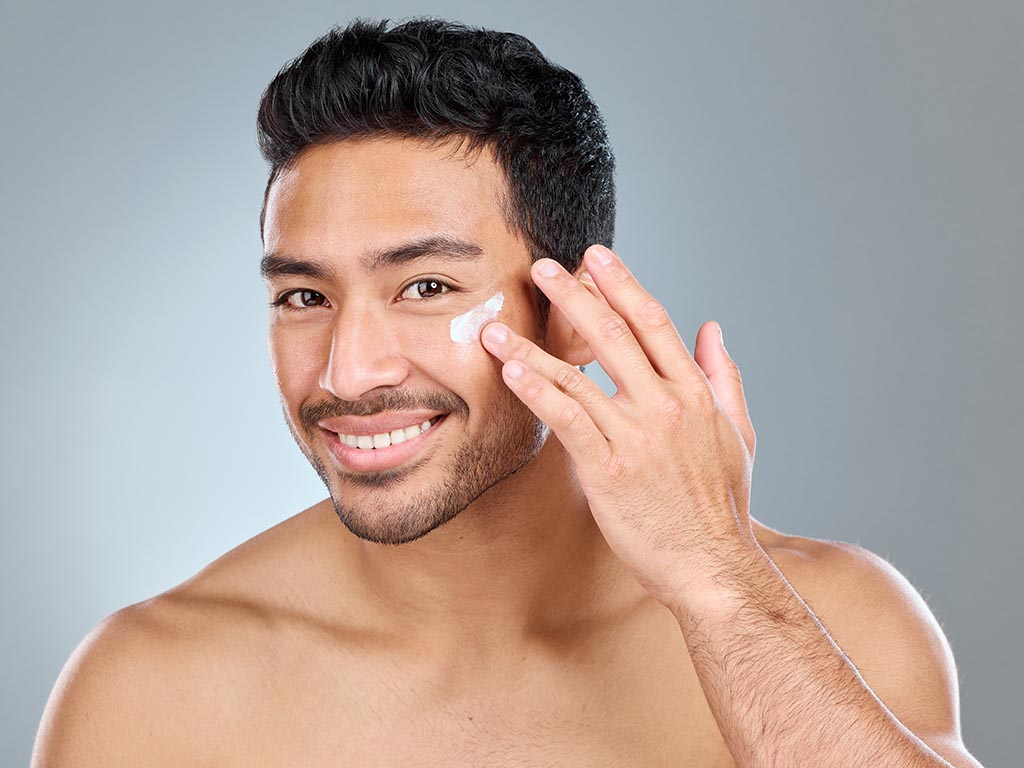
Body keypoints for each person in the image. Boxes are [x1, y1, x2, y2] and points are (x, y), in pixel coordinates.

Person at [33, 18, 983, 767]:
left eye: (426, 287)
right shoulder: (153, 689)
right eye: (304, 297)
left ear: (574, 313)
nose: (347, 373)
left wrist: (718, 586)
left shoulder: (829, 623)